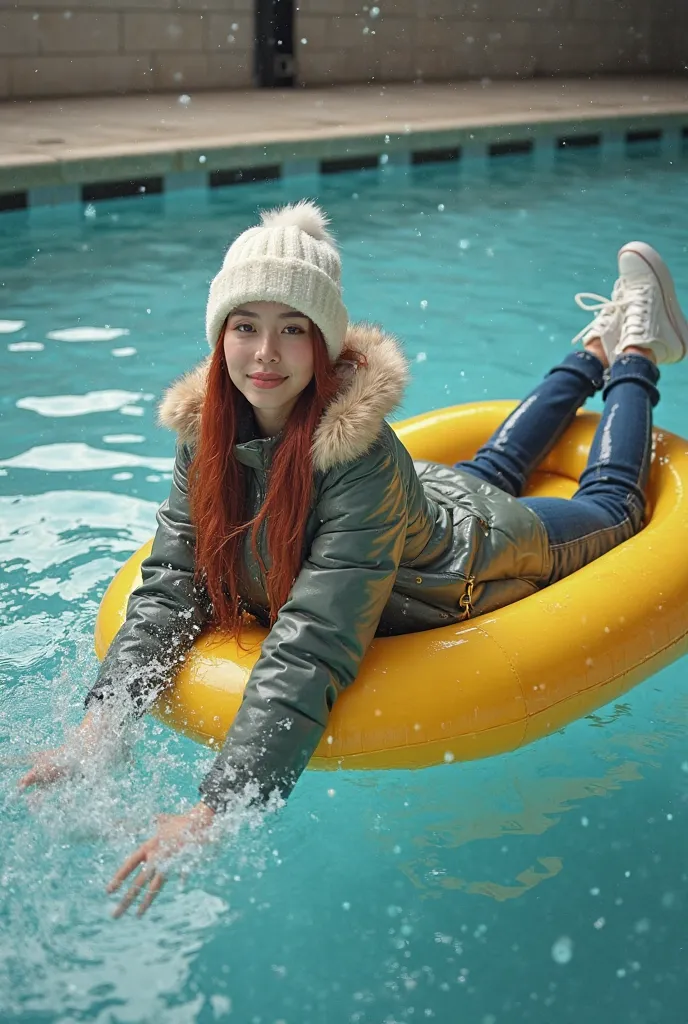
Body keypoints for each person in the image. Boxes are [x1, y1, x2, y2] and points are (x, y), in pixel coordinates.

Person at [18, 202, 688, 917]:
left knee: (617, 504)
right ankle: (593, 348)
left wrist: (215, 809)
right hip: (423, 505)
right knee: (494, 459)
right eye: (245, 327)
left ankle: (639, 348)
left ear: (324, 344)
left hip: (476, 556)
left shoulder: (358, 459)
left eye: (292, 330)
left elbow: (314, 639)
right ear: (220, 338)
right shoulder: (203, 439)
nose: (265, 354)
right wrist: (99, 729)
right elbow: (173, 582)